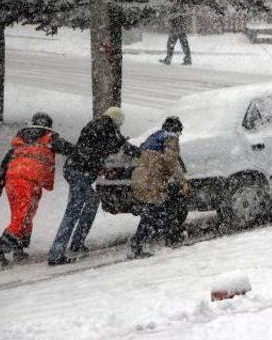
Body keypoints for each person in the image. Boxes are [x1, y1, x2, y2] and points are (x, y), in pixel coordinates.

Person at [47, 107, 140, 265]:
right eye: (119, 124)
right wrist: (144, 153)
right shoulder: (109, 127)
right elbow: (124, 146)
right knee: (73, 211)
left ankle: (77, 243)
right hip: (80, 171)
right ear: (116, 120)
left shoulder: (94, 124)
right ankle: (56, 254)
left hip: (74, 168)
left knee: (92, 201)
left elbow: (101, 146)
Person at [0, 113, 74, 266]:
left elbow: (5, 163)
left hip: (13, 180)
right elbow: (68, 148)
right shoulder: (49, 137)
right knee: (23, 217)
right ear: (48, 125)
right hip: (29, 180)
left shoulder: (20, 142)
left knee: (23, 215)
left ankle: (18, 248)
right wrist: (83, 151)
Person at [129, 116, 191, 259]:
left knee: (154, 210)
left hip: (140, 178)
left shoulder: (154, 137)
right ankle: (144, 243)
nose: (179, 135)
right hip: (152, 181)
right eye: (179, 132)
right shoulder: (170, 139)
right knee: (157, 211)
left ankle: (160, 238)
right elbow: (171, 163)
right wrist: (182, 182)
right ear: (176, 130)